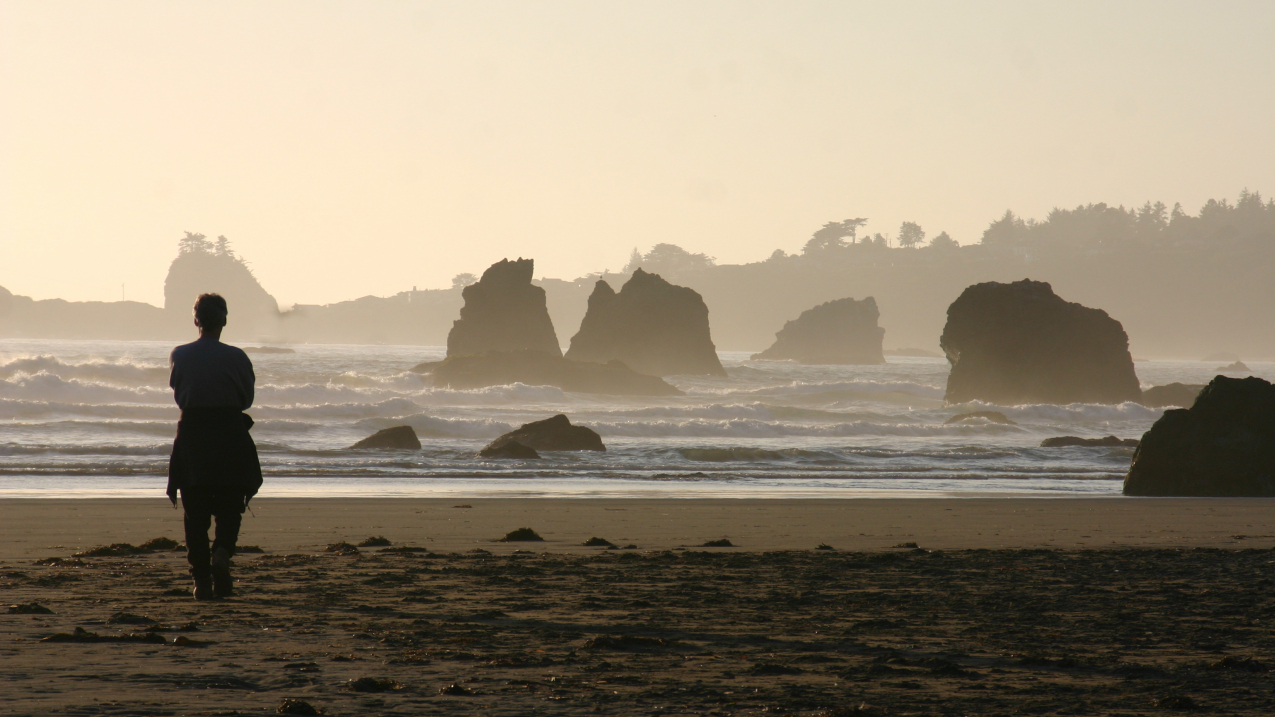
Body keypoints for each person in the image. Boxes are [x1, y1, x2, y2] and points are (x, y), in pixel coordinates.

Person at [167, 293, 262, 600]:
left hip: (193, 434)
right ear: (224, 320)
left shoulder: (179, 354)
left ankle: (201, 581)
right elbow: (246, 399)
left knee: (195, 512)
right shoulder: (238, 357)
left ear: (196, 320)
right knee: (230, 504)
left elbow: (178, 392)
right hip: (228, 433)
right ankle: (221, 551)